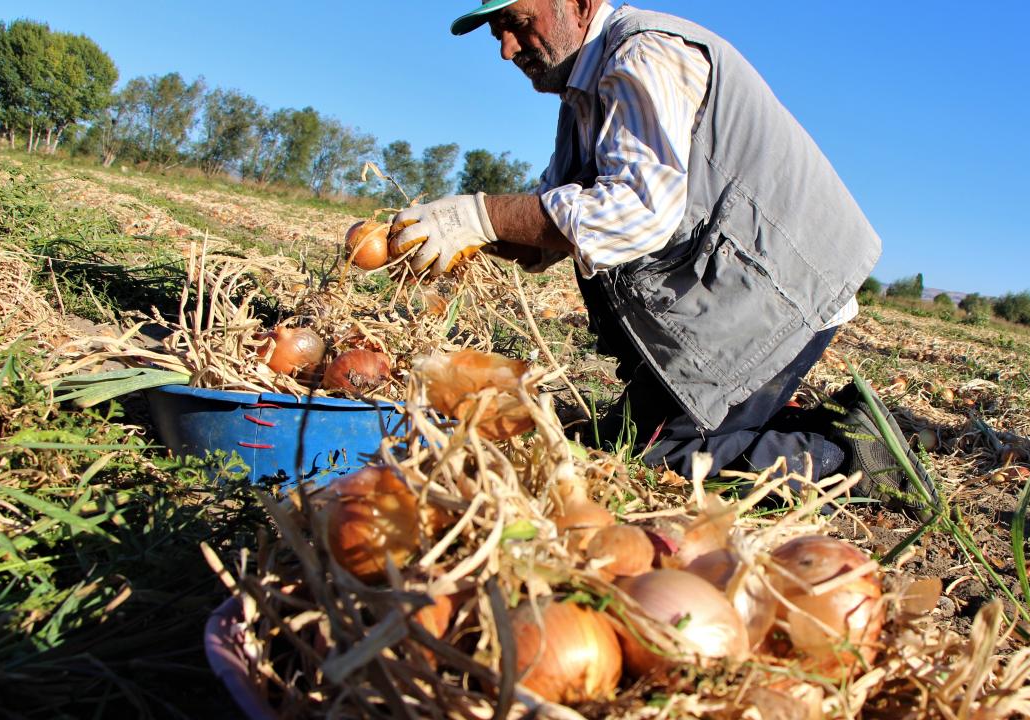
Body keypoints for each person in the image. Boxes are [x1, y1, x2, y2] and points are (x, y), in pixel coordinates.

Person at [391, 0, 936, 510]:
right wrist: (463, 236)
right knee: (613, 439)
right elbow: (553, 221)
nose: (507, 49)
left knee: (657, 462)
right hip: (731, 301)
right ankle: (770, 418)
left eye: (518, 22)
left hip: (779, 297)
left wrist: (478, 215)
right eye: (496, 32)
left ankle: (852, 455)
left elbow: (635, 211)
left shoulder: (646, 53)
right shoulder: (584, 96)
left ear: (579, 2)